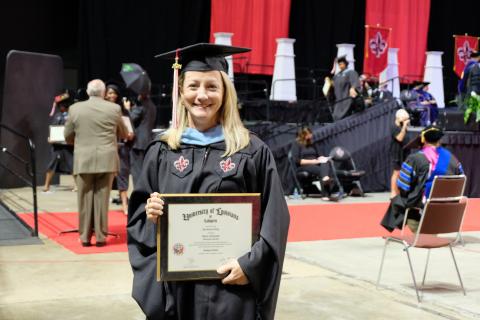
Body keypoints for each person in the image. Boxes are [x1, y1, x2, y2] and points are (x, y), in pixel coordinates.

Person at [127, 43, 290, 320]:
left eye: (212, 86)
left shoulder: (251, 151)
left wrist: (250, 267)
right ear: (181, 91)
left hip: (232, 289)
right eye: (193, 86)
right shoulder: (163, 151)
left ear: (225, 92)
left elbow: (274, 221)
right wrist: (152, 217)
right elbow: (138, 217)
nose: (201, 95)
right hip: (179, 290)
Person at [64, 79, 128, 247]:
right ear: (103, 92)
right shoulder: (114, 109)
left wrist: (78, 143)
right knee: (102, 198)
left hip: (83, 159)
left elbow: (67, 135)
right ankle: (100, 237)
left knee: (83, 199)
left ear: (87, 92)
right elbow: (124, 132)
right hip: (106, 160)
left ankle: (85, 237)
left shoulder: (75, 108)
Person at [381, 125, 464, 232]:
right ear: (440, 139)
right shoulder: (453, 159)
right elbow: (461, 178)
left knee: (399, 200)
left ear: (423, 139)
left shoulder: (415, 158)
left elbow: (403, 185)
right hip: (447, 204)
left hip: (424, 203)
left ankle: (416, 224)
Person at [105, 82, 134, 215]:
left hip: (122, 147)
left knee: (123, 175)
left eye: (114, 93)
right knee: (106, 177)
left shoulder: (123, 110)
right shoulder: (102, 109)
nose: (112, 95)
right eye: (109, 93)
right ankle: (102, 206)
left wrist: (130, 134)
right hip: (106, 147)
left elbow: (130, 129)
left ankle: (124, 205)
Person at [290, 126, 336, 200]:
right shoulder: (297, 144)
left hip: (315, 164)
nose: (311, 136)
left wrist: (323, 158)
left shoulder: (313, 144)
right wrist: (313, 161)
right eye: (309, 134)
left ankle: (325, 180)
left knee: (325, 164)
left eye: (311, 134)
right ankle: (326, 194)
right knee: (322, 170)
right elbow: (297, 161)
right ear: (303, 135)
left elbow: (320, 155)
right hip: (303, 166)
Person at [43, 92, 75, 192]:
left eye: (62, 105)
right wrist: (50, 137)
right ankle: (46, 185)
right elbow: (53, 128)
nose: (60, 107)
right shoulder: (57, 116)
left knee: (72, 164)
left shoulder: (72, 115)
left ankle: (77, 185)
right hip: (56, 145)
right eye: (59, 105)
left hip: (68, 144)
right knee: (52, 164)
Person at [127, 90, 157, 187]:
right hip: (149, 141)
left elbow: (130, 118)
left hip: (138, 143)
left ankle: (139, 193)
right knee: (145, 170)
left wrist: (127, 109)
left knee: (137, 170)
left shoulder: (140, 106)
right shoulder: (152, 105)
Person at [327, 56, 361, 121]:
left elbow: (354, 82)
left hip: (347, 99)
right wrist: (330, 85)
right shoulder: (337, 75)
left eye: (341, 64)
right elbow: (333, 87)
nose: (340, 66)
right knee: (336, 116)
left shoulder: (351, 72)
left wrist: (353, 88)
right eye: (339, 64)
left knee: (345, 117)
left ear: (345, 64)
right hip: (338, 100)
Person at [389, 109, 410, 199]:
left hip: (404, 151)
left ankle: (401, 191)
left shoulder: (402, 126)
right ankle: (393, 192)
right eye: (404, 119)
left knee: (402, 172)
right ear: (399, 118)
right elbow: (399, 138)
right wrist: (404, 126)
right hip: (396, 152)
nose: (406, 121)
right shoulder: (394, 127)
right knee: (396, 172)